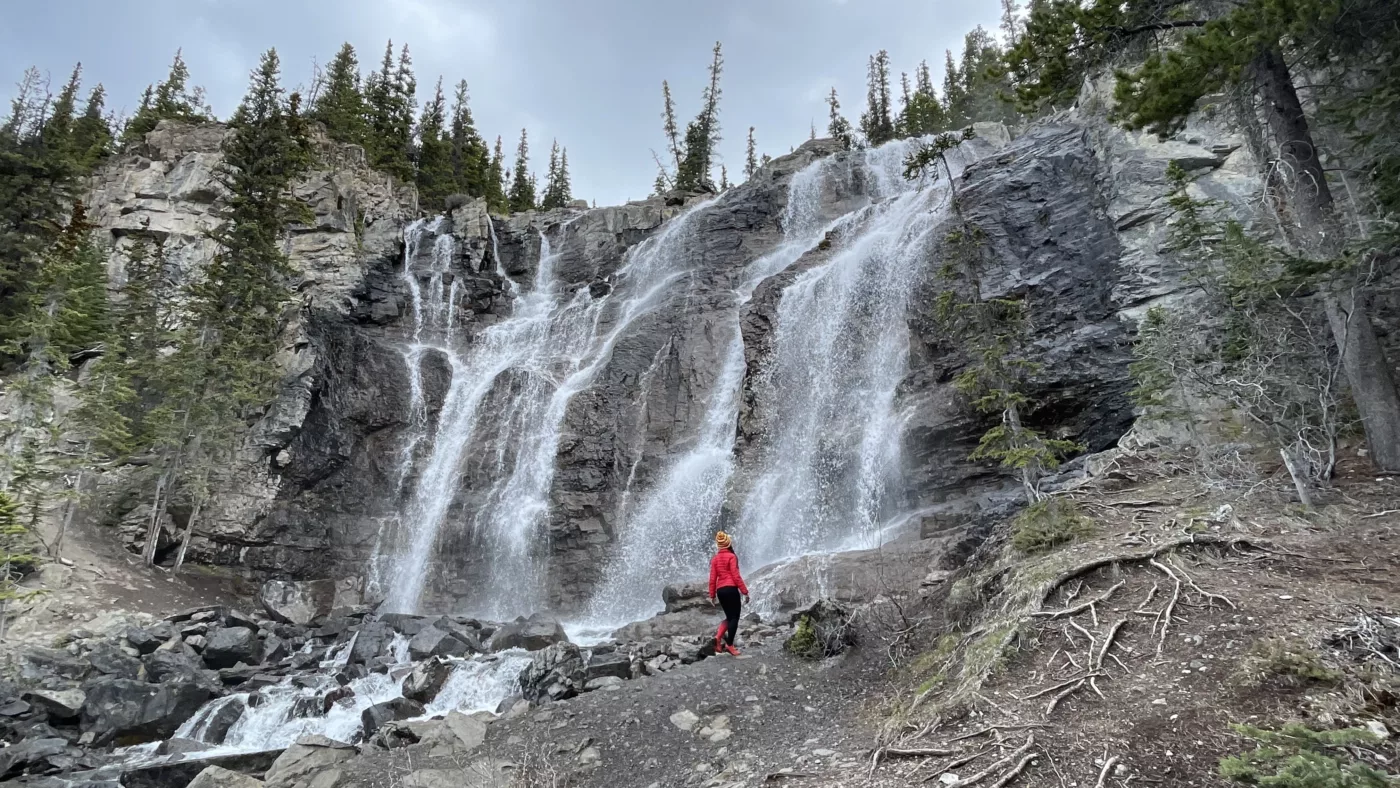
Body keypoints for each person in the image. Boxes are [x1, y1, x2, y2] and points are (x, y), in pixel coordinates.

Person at [708, 530, 749, 656]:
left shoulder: (715, 559)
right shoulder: (732, 557)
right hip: (731, 589)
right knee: (734, 618)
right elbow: (736, 576)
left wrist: (712, 595)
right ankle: (730, 645)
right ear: (729, 544)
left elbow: (712, 578)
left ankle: (718, 638)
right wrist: (744, 591)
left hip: (721, 591)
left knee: (729, 617)